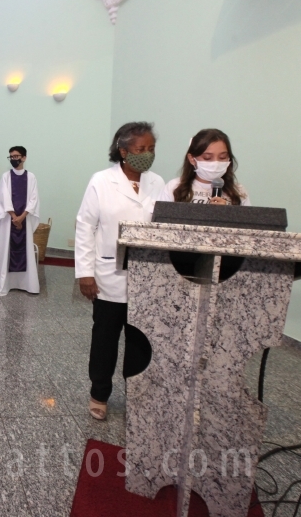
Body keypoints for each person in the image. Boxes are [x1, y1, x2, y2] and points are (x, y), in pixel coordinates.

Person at [75, 122, 165, 421]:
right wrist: (85, 273)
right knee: (105, 341)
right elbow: (86, 227)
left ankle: (137, 397)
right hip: (109, 276)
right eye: (141, 149)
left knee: (140, 344)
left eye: (151, 149)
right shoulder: (101, 181)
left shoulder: (158, 183)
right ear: (123, 151)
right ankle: (99, 393)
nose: (147, 154)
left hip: (148, 279)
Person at [0, 146, 40, 296]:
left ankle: (27, 284)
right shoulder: (6, 177)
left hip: (24, 218)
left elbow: (33, 199)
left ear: (24, 158)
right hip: (8, 221)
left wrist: (22, 217)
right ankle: (7, 283)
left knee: (25, 250)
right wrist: (14, 217)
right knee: (7, 249)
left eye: (16, 156)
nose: (13, 159)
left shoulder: (31, 177)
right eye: (11, 156)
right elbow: (3, 198)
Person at [158, 128, 250, 206]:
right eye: (207, 158)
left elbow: (248, 225)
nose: (216, 163)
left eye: (222, 157)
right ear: (192, 159)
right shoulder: (174, 187)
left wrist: (227, 213)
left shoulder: (239, 192)